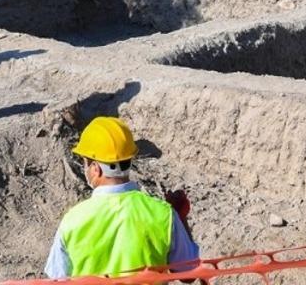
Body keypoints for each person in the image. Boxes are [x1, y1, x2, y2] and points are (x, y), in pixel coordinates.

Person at [44, 116, 199, 279]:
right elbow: (189, 274)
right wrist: (180, 217)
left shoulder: (72, 221)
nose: (85, 168)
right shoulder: (163, 215)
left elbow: (56, 280)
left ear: (96, 168)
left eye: (85, 162)